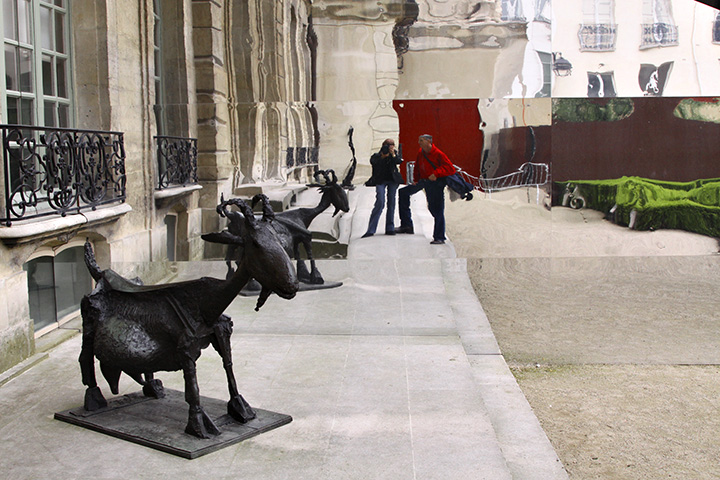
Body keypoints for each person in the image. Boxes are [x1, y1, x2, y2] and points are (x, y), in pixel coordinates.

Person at [395, 134, 455, 244]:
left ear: (429, 141)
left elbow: (450, 168)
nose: (419, 142)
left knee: (436, 209)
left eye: (421, 140)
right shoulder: (421, 152)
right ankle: (406, 225)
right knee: (403, 192)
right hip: (423, 181)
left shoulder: (438, 154)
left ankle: (439, 236)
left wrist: (436, 173)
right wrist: (416, 179)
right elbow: (418, 166)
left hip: (435, 183)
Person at [361, 138, 403, 238]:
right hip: (381, 181)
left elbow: (398, 161)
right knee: (380, 201)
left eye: (392, 144)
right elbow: (374, 163)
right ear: (383, 145)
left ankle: (390, 227)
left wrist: (392, 154)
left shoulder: (395, 154)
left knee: (391, 203)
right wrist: (383, 157)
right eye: (388, 144)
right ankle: (371, 229)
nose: (390, 146)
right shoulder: (377, 156)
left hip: (392, 181)